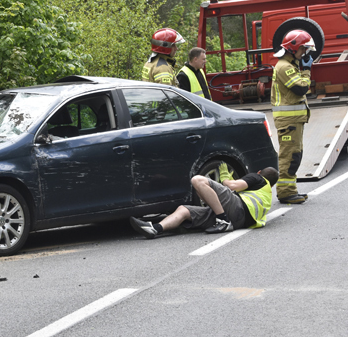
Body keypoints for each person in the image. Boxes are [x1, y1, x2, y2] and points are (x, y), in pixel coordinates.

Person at [129, 164, 279, 238]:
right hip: (241, 220)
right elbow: (238, 191)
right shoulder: (266, 191)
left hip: (236, 210)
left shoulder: (258, 177)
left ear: (259, 173)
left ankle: (222, 221)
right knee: (184, 209)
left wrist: (225, 177)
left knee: (198, 180)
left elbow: (233, 186)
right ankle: (155, 229)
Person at [271, 29, 315, 204]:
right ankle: (286, 193)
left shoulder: (290, 66)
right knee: (289, 156)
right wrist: (306, 71)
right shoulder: (285, 67)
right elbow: (301, 88)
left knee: (294, 155)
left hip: (294, 121)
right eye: (303, 49)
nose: (304, 53)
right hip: (288, 122)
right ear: (293, 48)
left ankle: (290, 190)